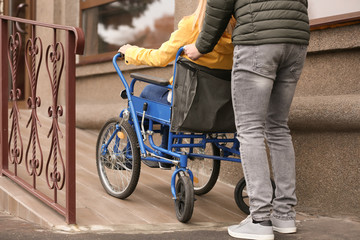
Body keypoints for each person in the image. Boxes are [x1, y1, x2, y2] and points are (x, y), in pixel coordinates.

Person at [184, 0, 310, 239]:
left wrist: (201, 46)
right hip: (296, 39)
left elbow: (219, 3)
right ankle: (284, 215)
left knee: (250, 129)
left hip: (257, 41)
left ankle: (260, 219)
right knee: (278, 128)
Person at [118, 0, 235, 169]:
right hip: (219, 107)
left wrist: (130, 51)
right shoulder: (237, 35)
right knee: (167, 95)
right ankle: (165, 152)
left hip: (187, 103)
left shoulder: (193, 27)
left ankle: (129, 157)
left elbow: (160, 58)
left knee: (147, 93)